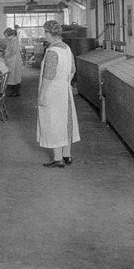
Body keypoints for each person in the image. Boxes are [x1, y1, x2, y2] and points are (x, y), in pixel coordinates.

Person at [37, 20, 80, 168]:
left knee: (53, 124)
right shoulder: (67, 48)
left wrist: (42, 95)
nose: (45, 36)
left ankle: (58, 159)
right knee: (66, 123)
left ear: (49, 33)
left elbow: (48, 77)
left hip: (53, 92)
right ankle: (67, 155)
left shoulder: (52, 52)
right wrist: (66, 82)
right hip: (64, 91)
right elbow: (73, 70)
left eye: (45, 33)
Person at [3, 27, 22, 97]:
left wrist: (5, 58)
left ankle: (16, 92)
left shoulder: (14, 41)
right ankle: (14, 88)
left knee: (14, 76)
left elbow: (13, 52)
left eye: (7, 36)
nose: (6, 37)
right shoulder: (11, 40)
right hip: (12, 60)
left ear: (12, 35)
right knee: (13, 76)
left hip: (14, 61)